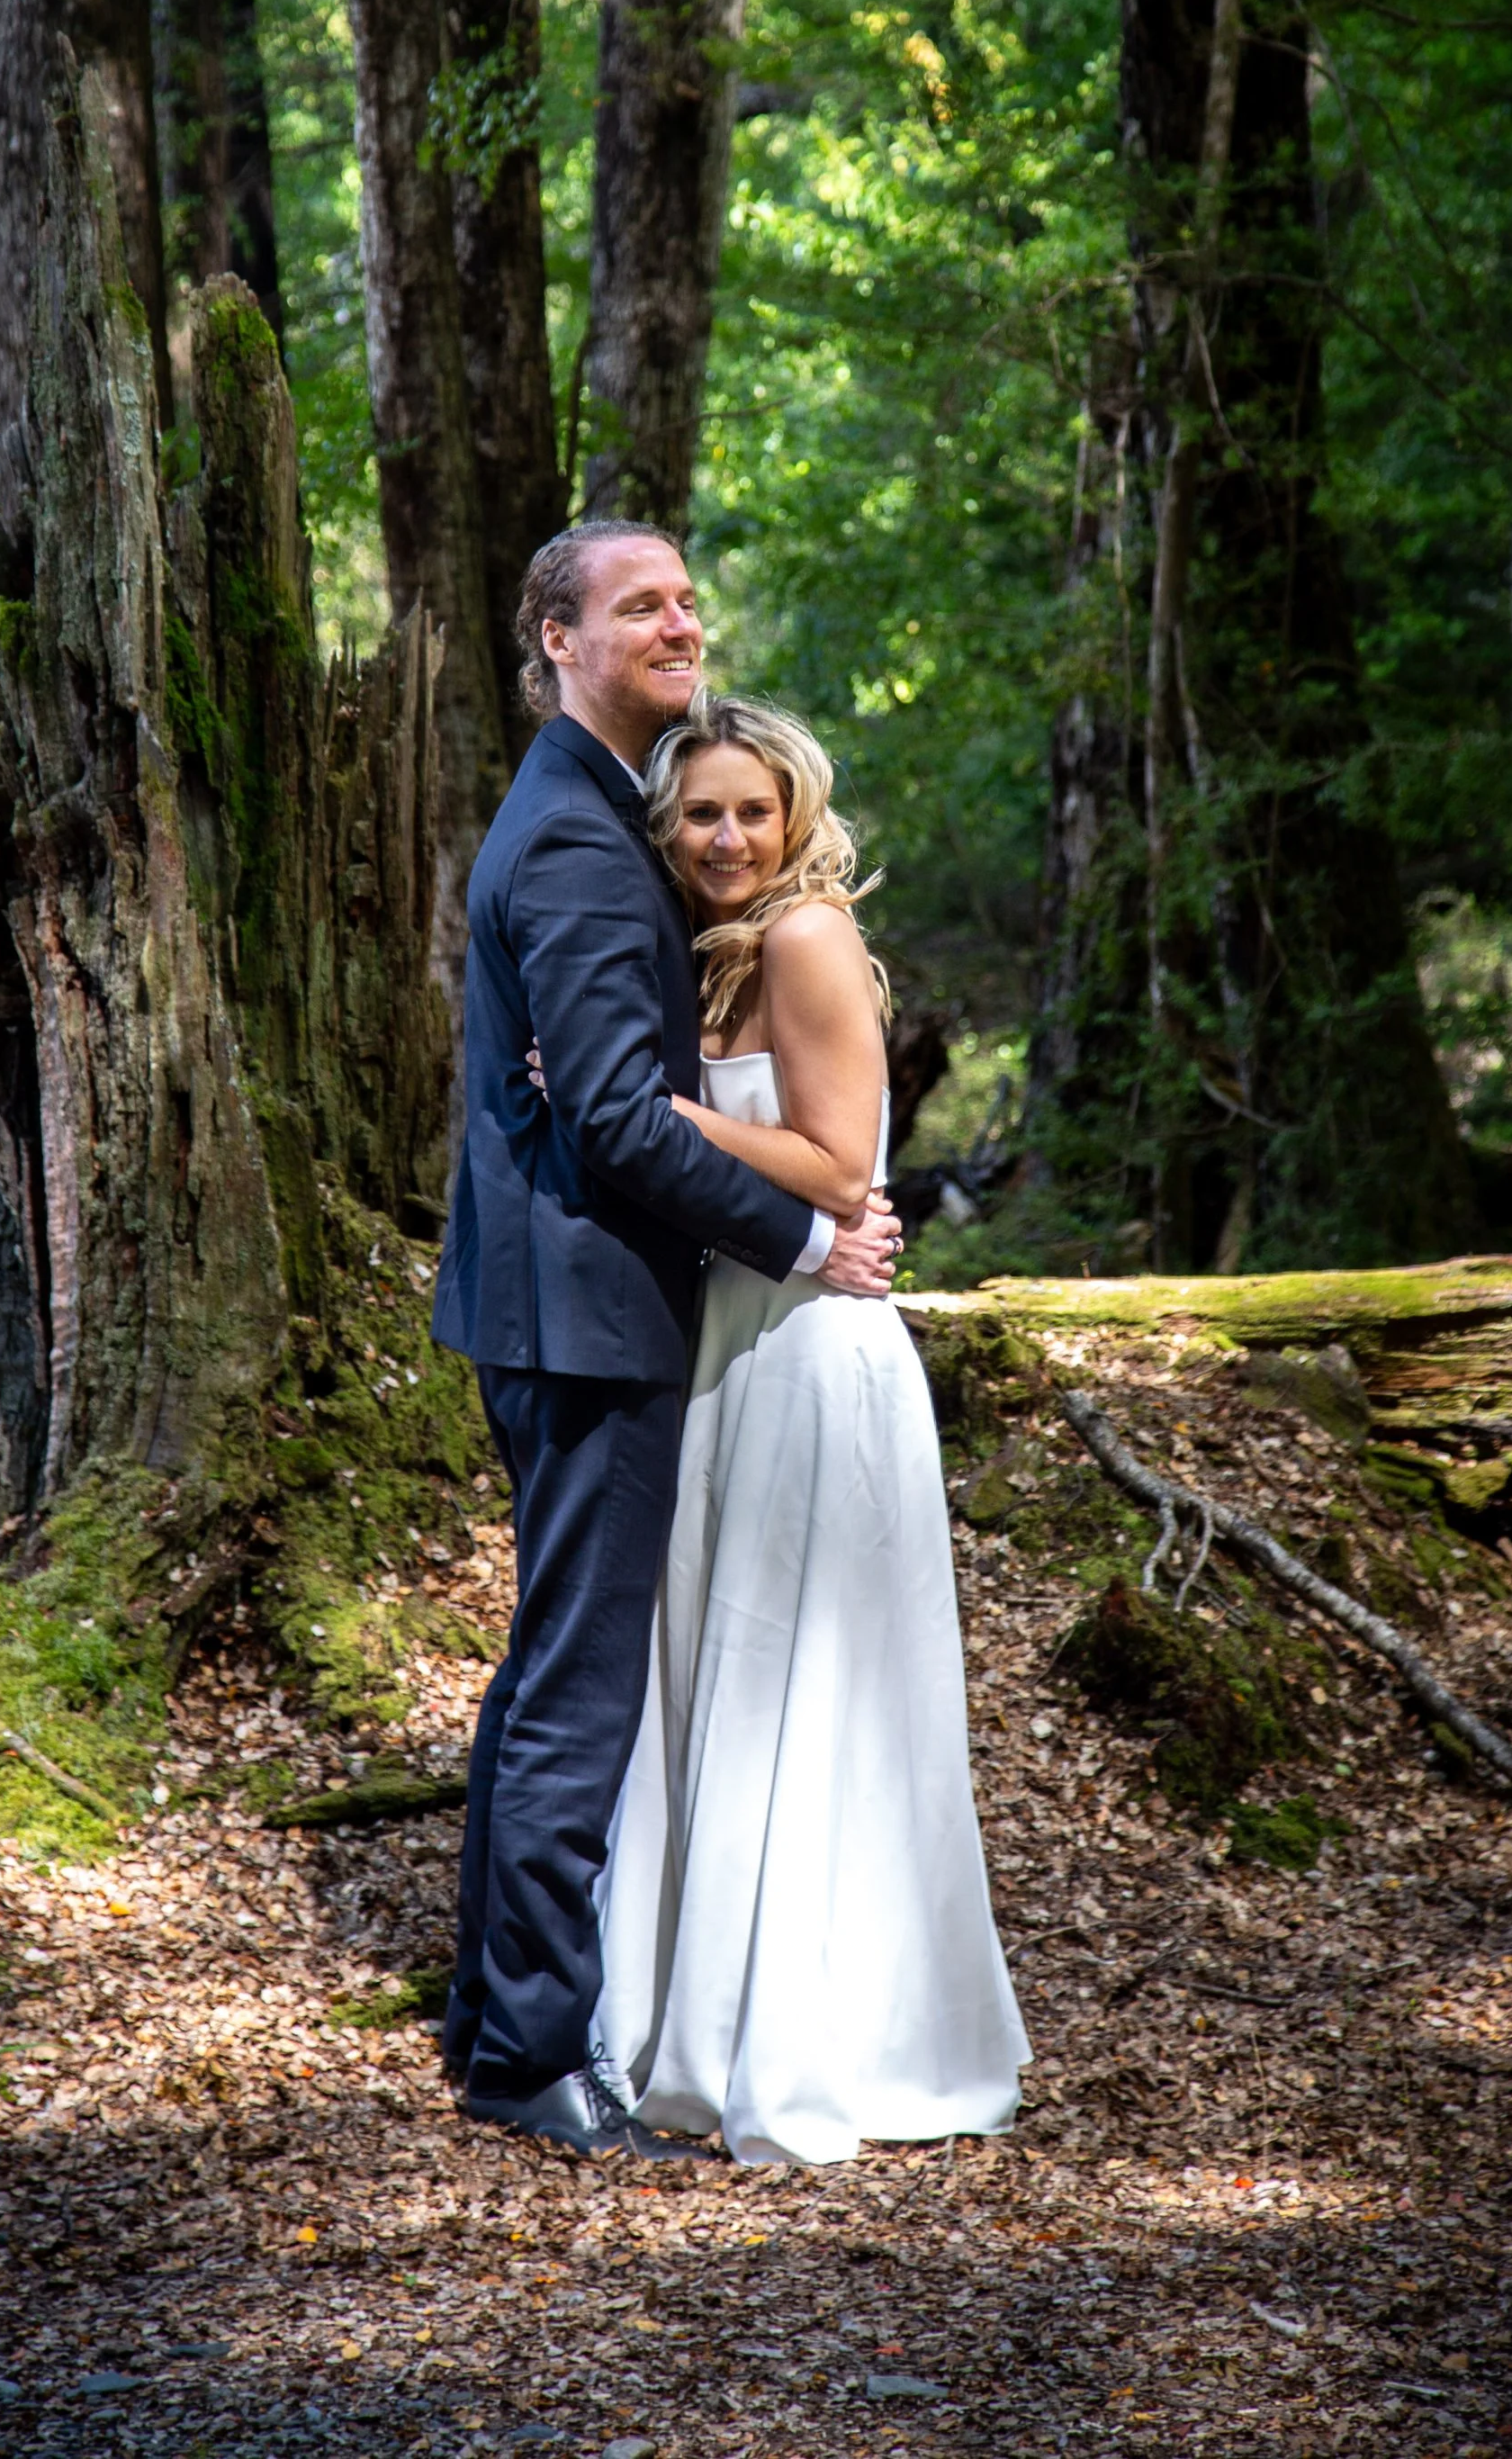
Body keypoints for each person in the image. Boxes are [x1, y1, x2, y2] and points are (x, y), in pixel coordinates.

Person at [432, 524, 902, 2158]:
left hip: (577, 1305)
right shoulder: (569, 838)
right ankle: (535, 2054)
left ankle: (495, 2013)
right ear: (557, 637)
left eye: (690, 598)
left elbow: (620, 1096)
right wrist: (805, 1235)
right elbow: (624, 1121)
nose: (679, 620)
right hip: (585, 1313)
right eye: (642, 605)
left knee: (548, 1668)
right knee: (575, 1689)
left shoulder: (592, 817)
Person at [592, 696, 1030, 2163]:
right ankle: (699, 2017)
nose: (725, 837)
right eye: (700, 812)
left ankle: (821, 2037)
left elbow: (844, 1168)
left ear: (796, 816)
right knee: (735, 1675)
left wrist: (655, 1112)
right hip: (731, 1336)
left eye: (750, 812)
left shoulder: (804, 937)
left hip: (811, 1347)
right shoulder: (703, 953)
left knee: (806, 1684)